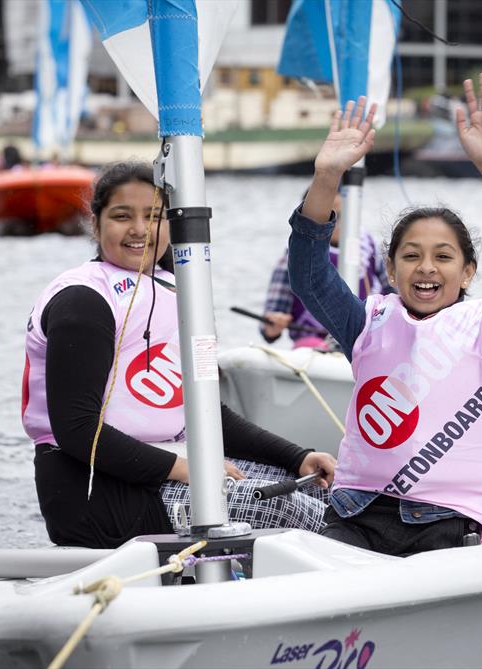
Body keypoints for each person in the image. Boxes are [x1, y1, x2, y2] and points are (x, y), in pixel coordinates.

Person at [286, 74, 482, 556]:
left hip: (452, 521)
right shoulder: (365, 323)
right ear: (391, 271)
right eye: (411, 256)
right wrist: (327, 176)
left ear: (468, 271)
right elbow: (310, 274)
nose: (426, 268)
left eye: (443, 256)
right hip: (355, 512)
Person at [22, 162, 335, 549]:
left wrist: (297, 457)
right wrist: (188, 471)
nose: (140, 229)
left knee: (323, 491)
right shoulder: (82, 302)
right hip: (96, 495)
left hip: (166, 469)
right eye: (122, 216)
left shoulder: (176, 289)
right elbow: (78, 430)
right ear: (95, 223)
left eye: (154, 217)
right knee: (281, 508)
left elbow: (205, 412)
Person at [261, 190, 393, 347]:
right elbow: (270, 321)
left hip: (369, 337)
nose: (334, 222)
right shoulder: (293, 257)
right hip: (314, 343)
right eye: (327, 216)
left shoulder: (369, 246)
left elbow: (394, 292)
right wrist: (273, 325)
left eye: (340, 215)